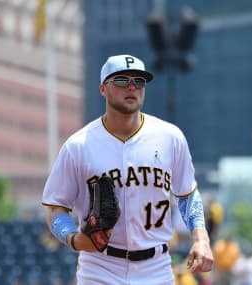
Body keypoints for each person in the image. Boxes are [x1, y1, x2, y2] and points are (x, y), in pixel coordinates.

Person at [41, 54, 214, 284]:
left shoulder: (170, 137)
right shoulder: (78, 145)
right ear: (103, 89)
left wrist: (201, 238)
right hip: (100, 268)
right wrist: (73, 239)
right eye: (122, 80)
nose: (132, 87)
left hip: (157, 268)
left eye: (139, 81)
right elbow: (55, 208)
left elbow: (187, 195)